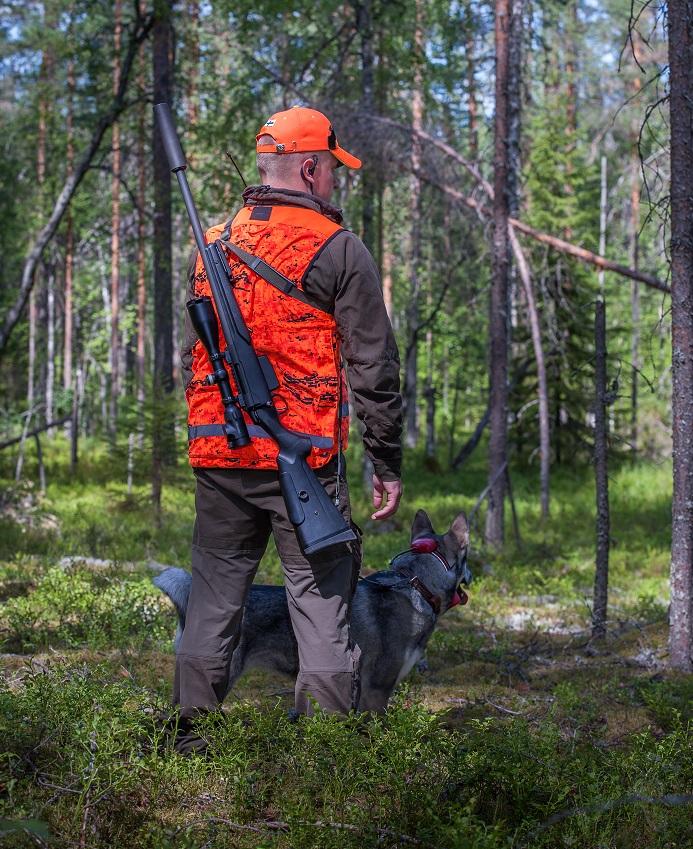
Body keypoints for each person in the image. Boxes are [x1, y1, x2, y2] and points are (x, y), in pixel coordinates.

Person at [173, 106, 402, 753]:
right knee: (322, 603)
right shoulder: (338, 249)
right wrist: (385, 460)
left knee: (213, 597)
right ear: (308, 167)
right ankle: (324, 752)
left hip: (219, 451)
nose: (333, 180)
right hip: (304, 459)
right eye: (331, 168)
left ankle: (190, 739)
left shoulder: (212, 243)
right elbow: (373, 365)